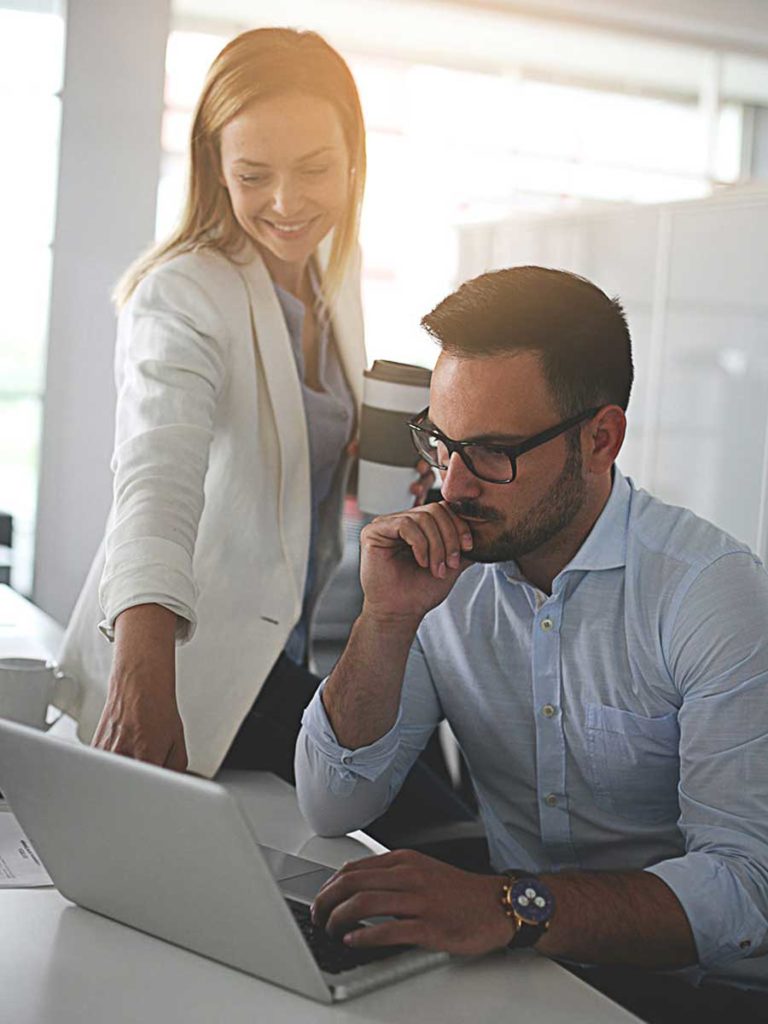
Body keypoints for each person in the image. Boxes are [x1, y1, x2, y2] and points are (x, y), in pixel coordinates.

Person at [295, 266, 768, 1024]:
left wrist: (508, 905)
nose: (452, 485)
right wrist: (384, 623)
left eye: (489, 453)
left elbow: (745, 891)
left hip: (696, 994)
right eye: (440, 442)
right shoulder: (442, 570)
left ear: (600, 438)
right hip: (522, 976)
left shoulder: (708, 592)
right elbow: (332, 802)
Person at [57, 28, 440, 791]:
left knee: (410, 804)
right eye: (254, 174)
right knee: (423, 819)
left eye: (315, 169)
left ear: (354, 158)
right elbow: (155, 480)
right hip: (191, 667)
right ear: (215, 169)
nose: (286, 203)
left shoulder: (331, 280)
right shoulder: (183, 294)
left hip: (285, 651)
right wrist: (143, 671)